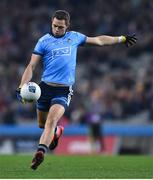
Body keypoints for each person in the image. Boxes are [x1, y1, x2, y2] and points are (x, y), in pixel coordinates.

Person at [16, 10, 137, 170]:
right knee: (43, 124)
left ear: (67, 26)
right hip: (44, 89)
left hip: (63, 91)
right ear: (51, 23)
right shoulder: (43, 41)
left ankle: (40, 152)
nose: (57, 29)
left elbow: (99, 41)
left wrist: (121, 38)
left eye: (60, 27)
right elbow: (31, 65)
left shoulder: (74, 37)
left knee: (51, 121)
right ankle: (57, 131)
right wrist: (21, 86)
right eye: (54, 26)